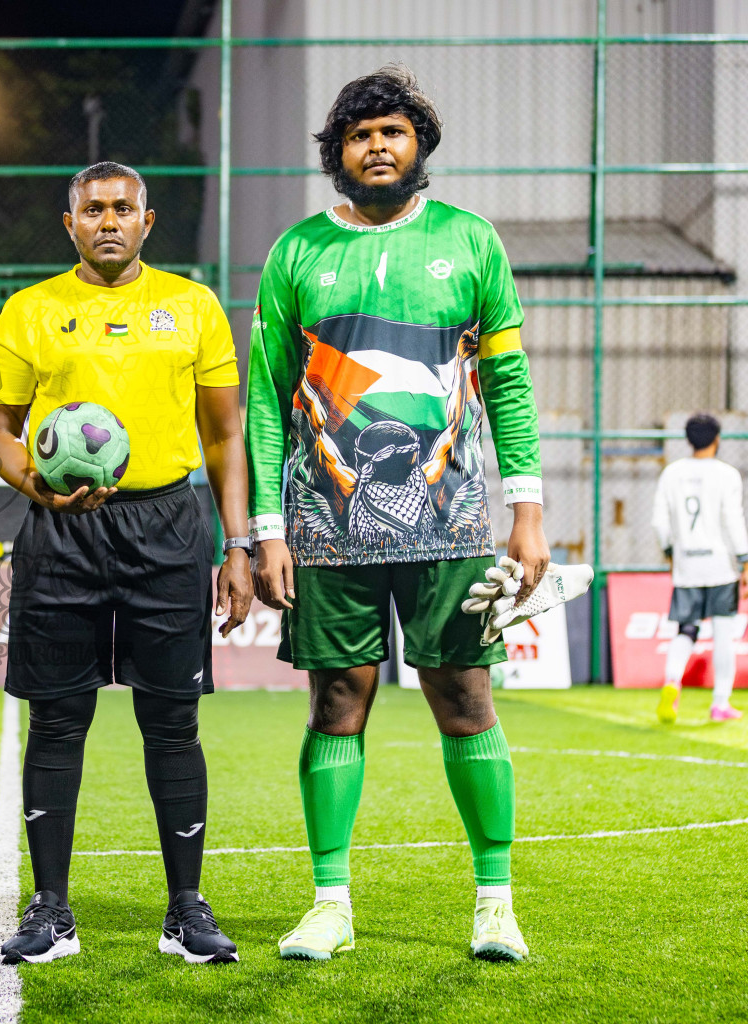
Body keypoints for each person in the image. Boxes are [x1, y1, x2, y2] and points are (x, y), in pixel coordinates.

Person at [245, 66, 547, 963]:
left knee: (464, 696)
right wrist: (267, 528)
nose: (377, 145)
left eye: (393, 131)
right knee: (337, 701)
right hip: (324, 528)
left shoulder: (470, 241)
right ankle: (329, 904)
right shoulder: (296, 251)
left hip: (451, 520)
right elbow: (267, 401)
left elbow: (508, 385)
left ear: (420, 146)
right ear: (337, 154)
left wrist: (526, 509)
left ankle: (496, 902)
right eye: (359, 134)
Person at [0, 161, 254, 965]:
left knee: (172, 721)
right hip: (57, 530)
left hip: (167, 523)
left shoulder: (192, 306)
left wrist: (235, 544)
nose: (108, 220)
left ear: (147, 219)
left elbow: (225, 435)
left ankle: (185, 909)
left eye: (122, 208)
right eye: (92, 208)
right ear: (69, 223)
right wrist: (33, 477)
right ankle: (51, 909)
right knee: (57, 719)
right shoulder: (31, 311)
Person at [651, 412, 748, 723]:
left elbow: (659, 522)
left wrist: (670, 552)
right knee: (723, 632)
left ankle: (671, 683)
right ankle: (720, 704)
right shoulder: (727, 474)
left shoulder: (672, 473)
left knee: (686, 630)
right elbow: (733, 521)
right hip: (720, 565)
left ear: (688, 440)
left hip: (687, 565)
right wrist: (744, 559)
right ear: (717, 439)